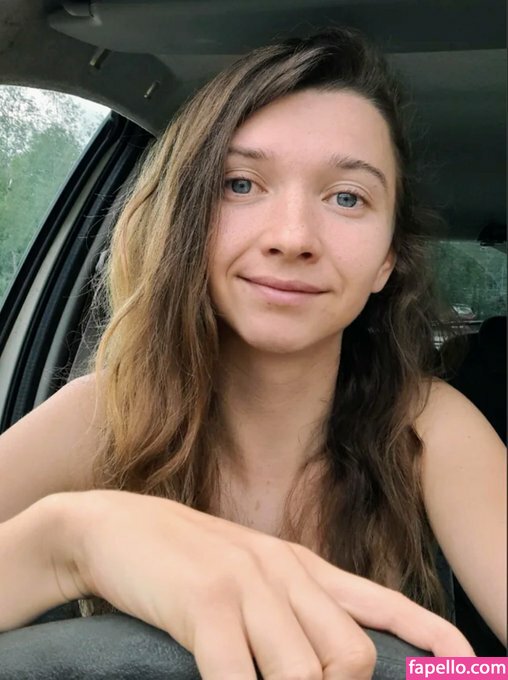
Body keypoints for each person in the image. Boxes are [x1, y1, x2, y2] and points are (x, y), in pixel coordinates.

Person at [0, 27, 505, 680]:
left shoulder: (431, 425)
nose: (292, 237)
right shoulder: (102, 414)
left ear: (387, 260)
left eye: (347, 197)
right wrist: (68, 543)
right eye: (240, 184)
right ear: (187, 219)